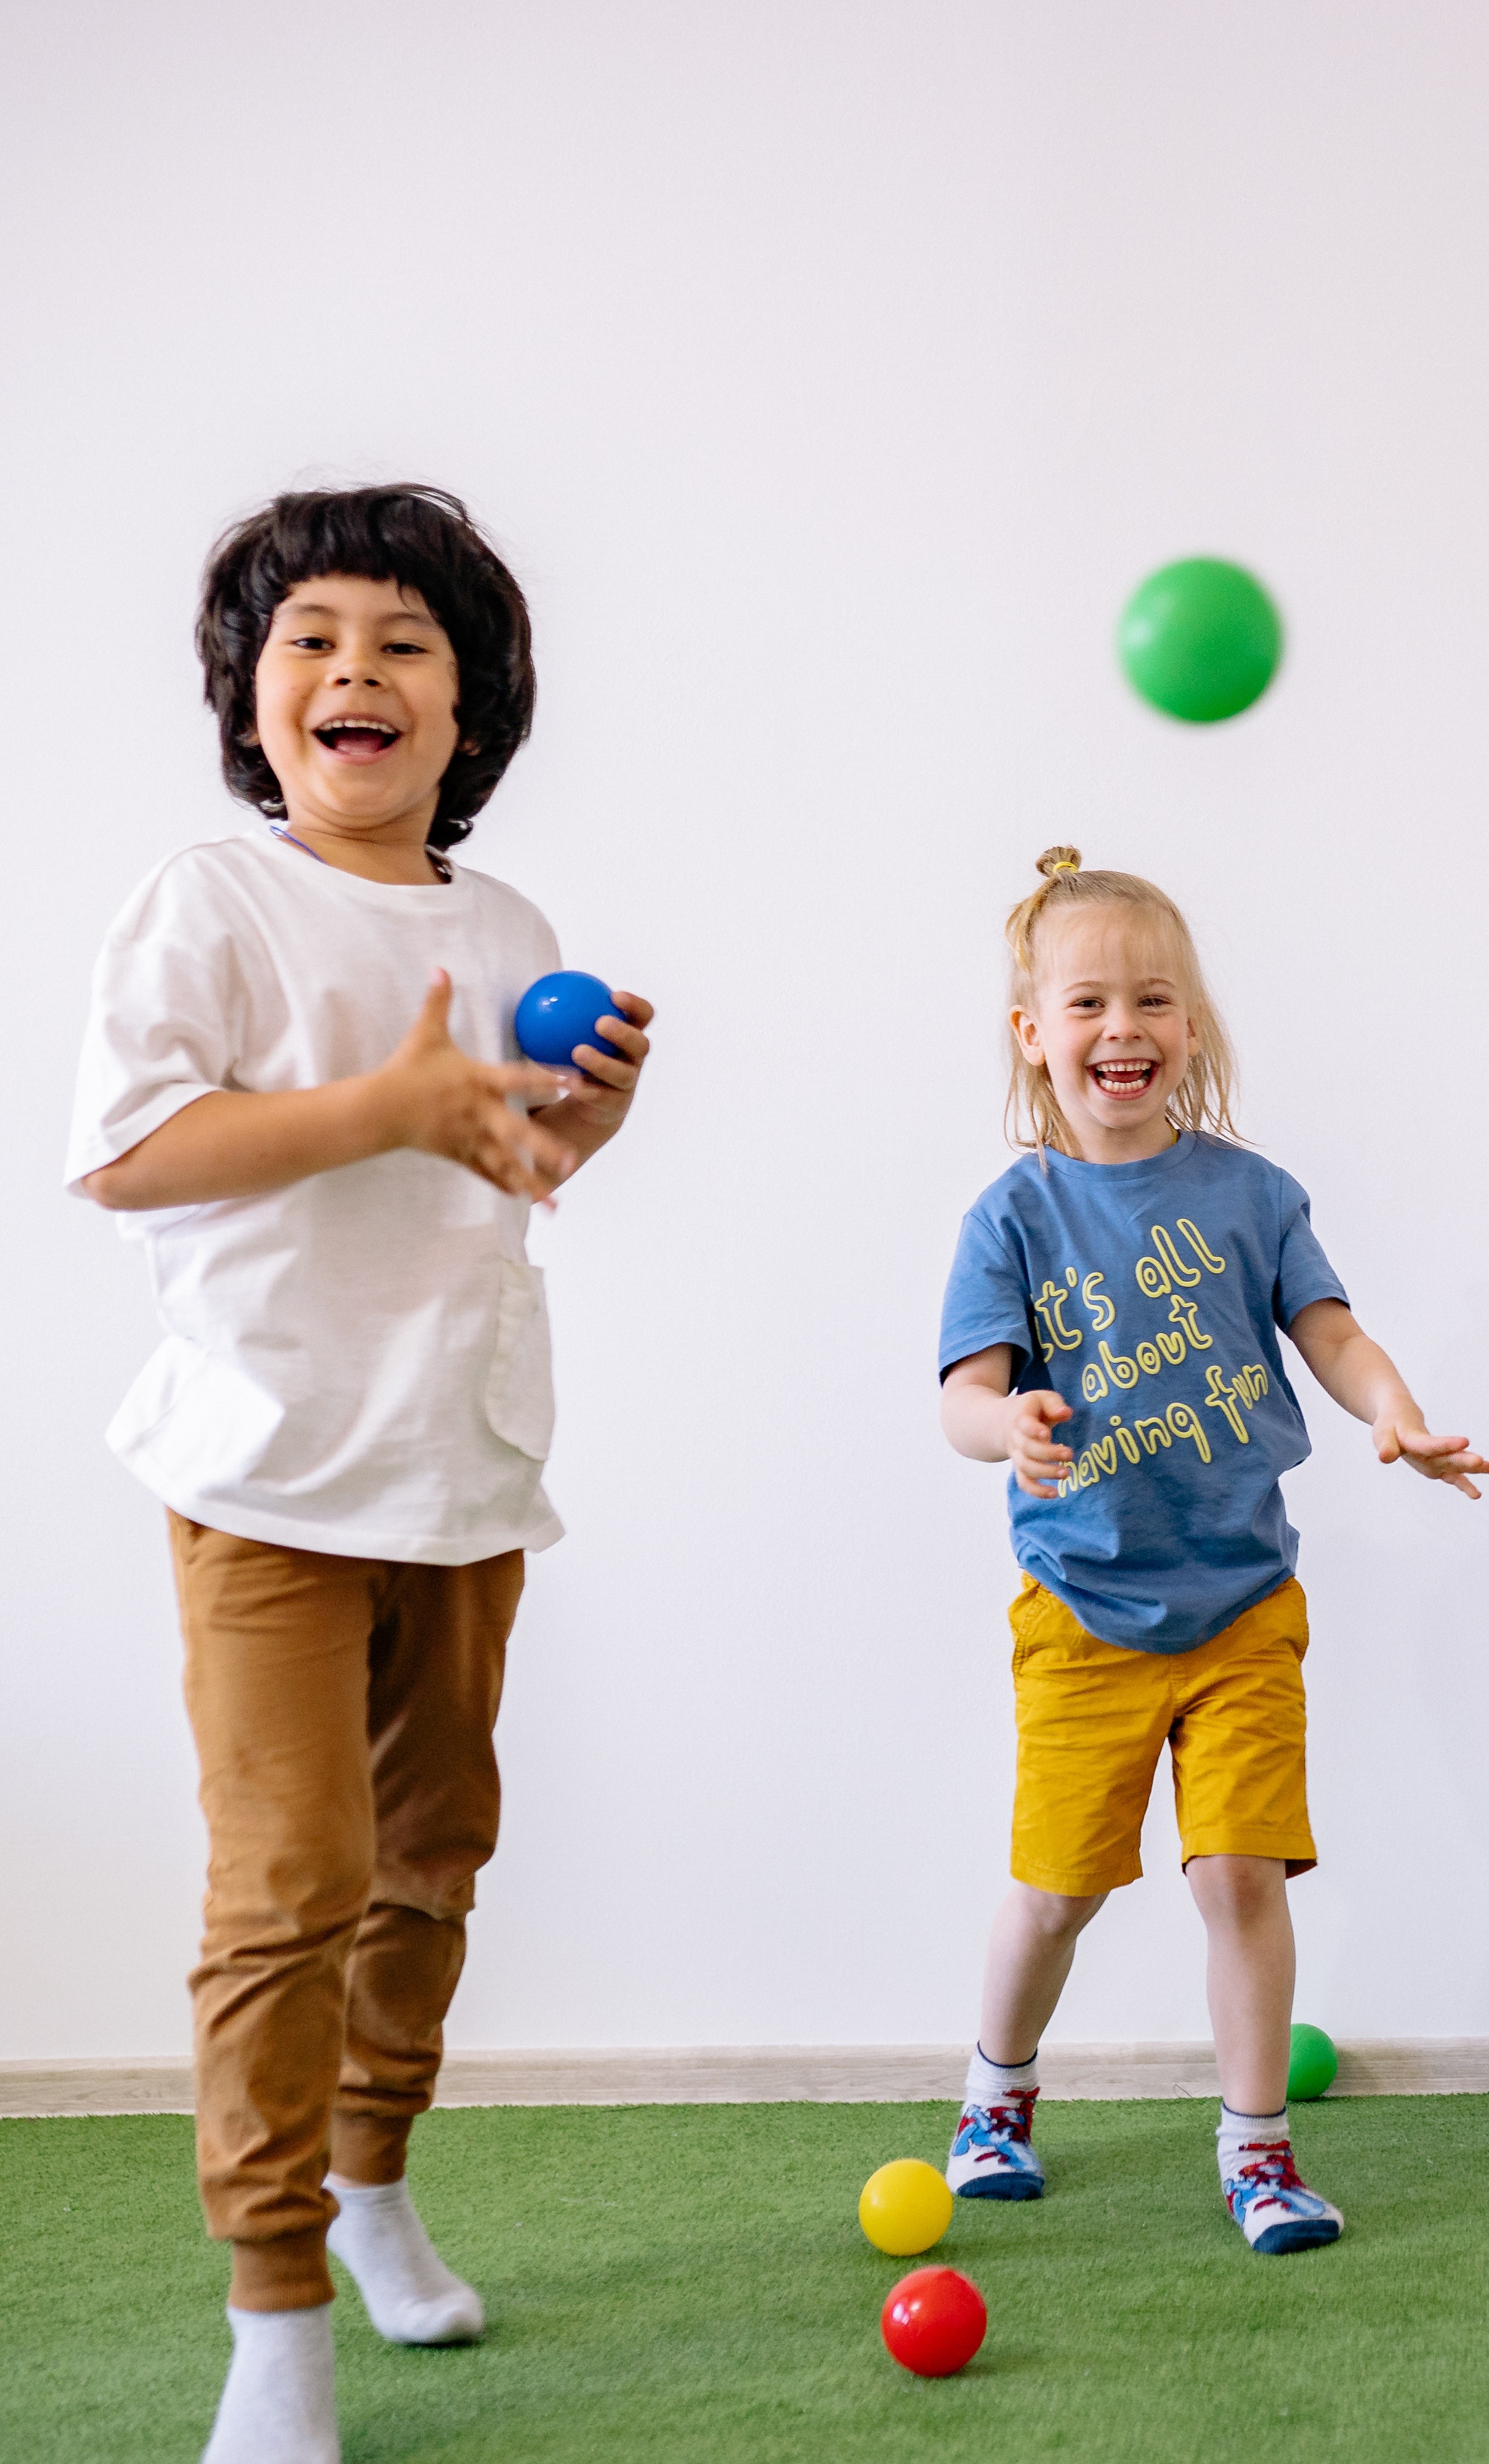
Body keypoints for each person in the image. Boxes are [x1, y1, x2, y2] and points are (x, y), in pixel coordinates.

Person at [65, 487, 656, 2464]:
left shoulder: (509, 930)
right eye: (312, 639)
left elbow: (506, 1176)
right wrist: (380, 1102)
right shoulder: (208, 905)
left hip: (460, 1468)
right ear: (256, 701)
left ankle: (378, 2179)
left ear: (467, 711)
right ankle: (275, 2309)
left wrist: (577, 1124)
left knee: (427, 1869)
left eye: (404, 644)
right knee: (286, 1889)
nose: (356, 672)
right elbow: (132, 1154)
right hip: (264, 1480)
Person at [936, 848, 1489, 2253]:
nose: (1121, 1028)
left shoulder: (1254, 1193)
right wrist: (1010, 1425)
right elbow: (959, 1397)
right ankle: (995, 2095)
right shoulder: (1013, 1213)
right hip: (1082, 1608)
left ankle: (1258, 2151)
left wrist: (1395, 1410)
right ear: (1034, 1033)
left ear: (1193, 1027)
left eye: (1153, 999)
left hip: (1246, 1602)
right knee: (1057, 1890)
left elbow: (1332, 1332)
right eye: (1088, 1003)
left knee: (1238, 1873)